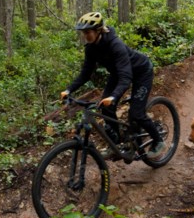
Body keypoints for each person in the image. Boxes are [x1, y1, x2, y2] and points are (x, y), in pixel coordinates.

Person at [60, 11, 166, 157]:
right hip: (119, 74)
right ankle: (115, 145)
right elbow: (86, 73)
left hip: (141, 72)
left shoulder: (116, 45)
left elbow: (126, 77)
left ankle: (158, 140)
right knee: (105, 107)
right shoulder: (91, 48)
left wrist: (114, 96)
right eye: (83, 32)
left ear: (98, 30)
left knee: (136, 113)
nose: (85, 35)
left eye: (88, 32)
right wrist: (69, 89)